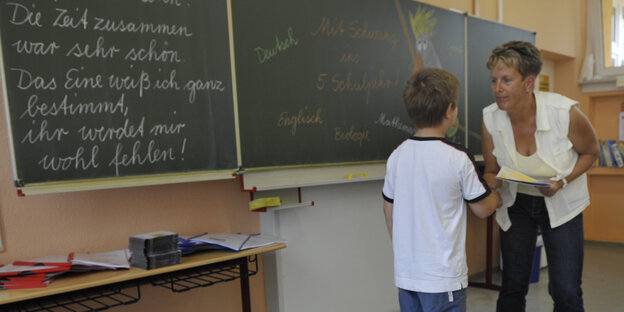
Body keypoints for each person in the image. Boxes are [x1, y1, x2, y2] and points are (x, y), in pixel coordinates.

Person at [481, 41, 600, 312]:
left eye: (507, 80)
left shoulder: (564, 113)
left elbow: (591, 152)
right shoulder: (490, 118)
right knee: (512, 285)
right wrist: (490, 190)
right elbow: (491, 171)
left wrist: (563, 181)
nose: (498, 88)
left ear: (528, 82)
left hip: (563, 204)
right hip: (518, 204)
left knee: (566, 289)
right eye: (494, 80)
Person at [382, 68, 501, 312]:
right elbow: (481, 209)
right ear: (450, 111)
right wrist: (495, 198)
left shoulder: (397, 155)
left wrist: (405, 249)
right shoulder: (458, 157)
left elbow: (388, 208)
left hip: (407, 274)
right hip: (442, 278)